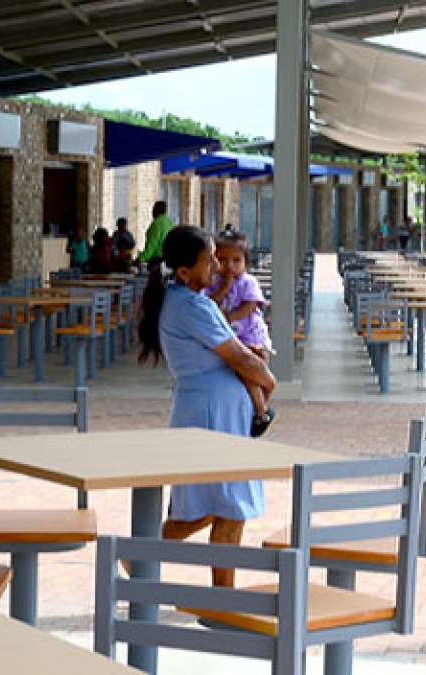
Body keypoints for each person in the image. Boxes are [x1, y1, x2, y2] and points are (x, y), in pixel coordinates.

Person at [137, 225, 277, 586]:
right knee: (225, 502)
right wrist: (268, 382)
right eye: (209, 260)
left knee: (225, 503)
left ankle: (212, 588)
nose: (217, 266)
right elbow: (239, 357)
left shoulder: (184, 300)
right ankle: (143, 557)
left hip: (215, 406)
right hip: (214, 411)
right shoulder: (193, 306)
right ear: (185, 272)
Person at [205, 231, 276, 437]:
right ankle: (258, 409)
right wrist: (224, 287)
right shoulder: (213, 283)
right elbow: (210, 304)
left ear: (246, 262)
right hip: (231, 338)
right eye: (223, 260)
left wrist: (230, 317)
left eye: (236, 260)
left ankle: (260, 410)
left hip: (250, 335)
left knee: (248, 371)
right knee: (242, 374)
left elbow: (251, 305)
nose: (229, 266)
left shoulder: (248, 282)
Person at [138, 201, 175, 265]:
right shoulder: (170, 222)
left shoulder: (157, 223)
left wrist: (141, 259)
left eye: (154, 209)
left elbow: (152, 244)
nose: (152, 211)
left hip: (157, 259)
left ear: (157, 210)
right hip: (169, 259)